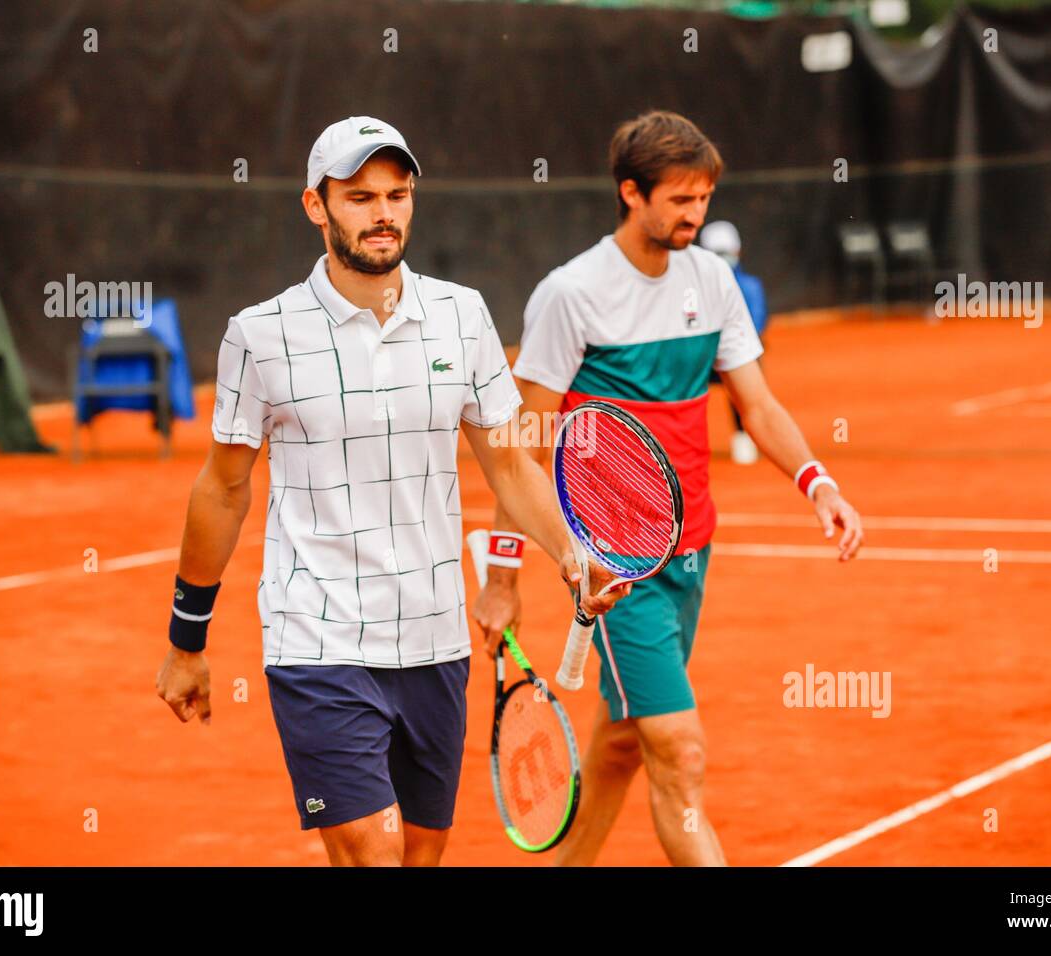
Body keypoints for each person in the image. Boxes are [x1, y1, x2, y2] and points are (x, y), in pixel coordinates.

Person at [154, 116, 624, 867]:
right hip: (318, 638)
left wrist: (572, 553)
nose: (383, 213)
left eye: (398, 195)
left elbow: (508, 462)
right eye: (361, 196)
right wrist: (187, 641)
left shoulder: (461, 315)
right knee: (375, 849)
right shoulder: (260, 335)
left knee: (422, 855)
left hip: (435, 639)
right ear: (316, 206)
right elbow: (222, 490)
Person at [473, 111, 864, 866]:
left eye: (704, 199)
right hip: (615, 568)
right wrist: (502, 580)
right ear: (631, 193)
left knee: (624, 742)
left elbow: (757, 401)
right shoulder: (571, 294)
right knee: (679, 751)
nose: (696, 215)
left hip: (692, 549)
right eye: (680, 200)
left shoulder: (713, 280)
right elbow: (523, 446)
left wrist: (820, 484)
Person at [699, 219, 767, 464]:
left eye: (726, 252)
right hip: (702, 358)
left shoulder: (750, 286)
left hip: (734, 354)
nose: (723, 258)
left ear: (737, 251)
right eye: (717, 253)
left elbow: (757, 323)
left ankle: (744, 437)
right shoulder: (693, 288)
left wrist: (728, 346)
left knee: (746, 383)